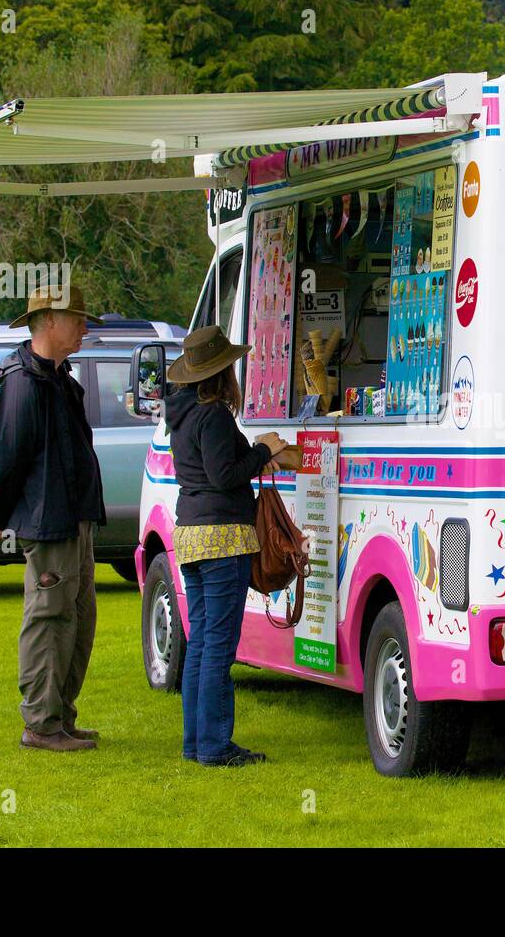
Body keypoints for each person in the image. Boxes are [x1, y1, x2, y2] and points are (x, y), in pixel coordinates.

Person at [0, 283, 107, 751]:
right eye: (77, 318)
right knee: (49, 617)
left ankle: (60, 716)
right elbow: (11, 458)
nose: (84, 327)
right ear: (49, 322)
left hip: (73, 517)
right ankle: (41, 724)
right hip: (47, 519)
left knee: (77, 616)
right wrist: (0, 516)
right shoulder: (22, 382)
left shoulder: (55, 377)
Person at [165, 325, 288, 767]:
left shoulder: (179, 412)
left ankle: (195, 742)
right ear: (223, 372)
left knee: (200, 643)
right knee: (218, 645)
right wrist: (261, 451)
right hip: (223, 537)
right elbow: (225, 475)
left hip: (191, 534)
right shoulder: (212, 414)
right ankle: (215, 747)